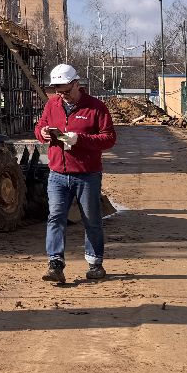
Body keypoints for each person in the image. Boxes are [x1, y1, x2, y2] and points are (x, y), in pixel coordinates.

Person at [35, 63, 116, 285]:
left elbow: (109, 138)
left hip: (86, 174)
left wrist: (81, 140)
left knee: (91, 219)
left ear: (76, 84)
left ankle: (95, 263)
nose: (63, 96)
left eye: (66, 91)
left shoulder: (96, 107)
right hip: (57, 173)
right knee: (55, 218)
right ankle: (55, 264)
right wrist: (42, 133)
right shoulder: (53, 105)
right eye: (58, 91)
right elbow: (40, 126)